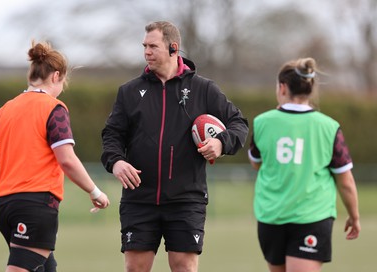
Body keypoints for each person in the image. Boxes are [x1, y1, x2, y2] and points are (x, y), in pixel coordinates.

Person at [101, 21, 248, 272]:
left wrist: (220, 143)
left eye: (153, 46)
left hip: (186, 199)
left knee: (184, 267)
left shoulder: (204, 89)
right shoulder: (129, 92)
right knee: (135, 267)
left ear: (173, 48)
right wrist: (116, 161)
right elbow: (112, 134)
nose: (146, 52)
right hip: (139, 198)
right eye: (144, 46)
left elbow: (239, 124)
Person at [0, 40, 110, 272]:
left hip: (6, 206)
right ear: (56, 75)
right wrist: (95, 191)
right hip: (36, 205)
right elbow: (66, 159)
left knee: (46, 268)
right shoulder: (54, 108)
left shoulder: (5, 109)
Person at [248, 57, 361, 272]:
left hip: (270, 217)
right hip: (312, 216)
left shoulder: (262, 122)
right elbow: (345, 181)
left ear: (282, 87)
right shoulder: (329, 127)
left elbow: (257, 163)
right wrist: (354, 216)